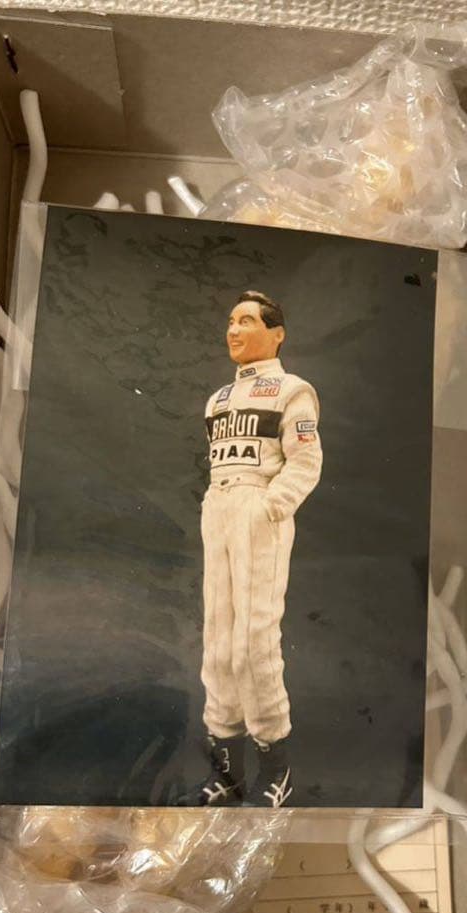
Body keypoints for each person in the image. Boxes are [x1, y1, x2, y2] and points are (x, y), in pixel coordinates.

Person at [178, 290, 322, 808]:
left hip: (256, 510)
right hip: (218, 509)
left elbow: (305, 461)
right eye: (231, 321)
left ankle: (277, 768)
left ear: (276, 333)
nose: (234, 330)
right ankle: (228, 770)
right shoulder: (218, 399)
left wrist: (271, 507)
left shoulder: (292, 390)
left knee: (252, 641)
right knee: (218, 640)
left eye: (246, 321)